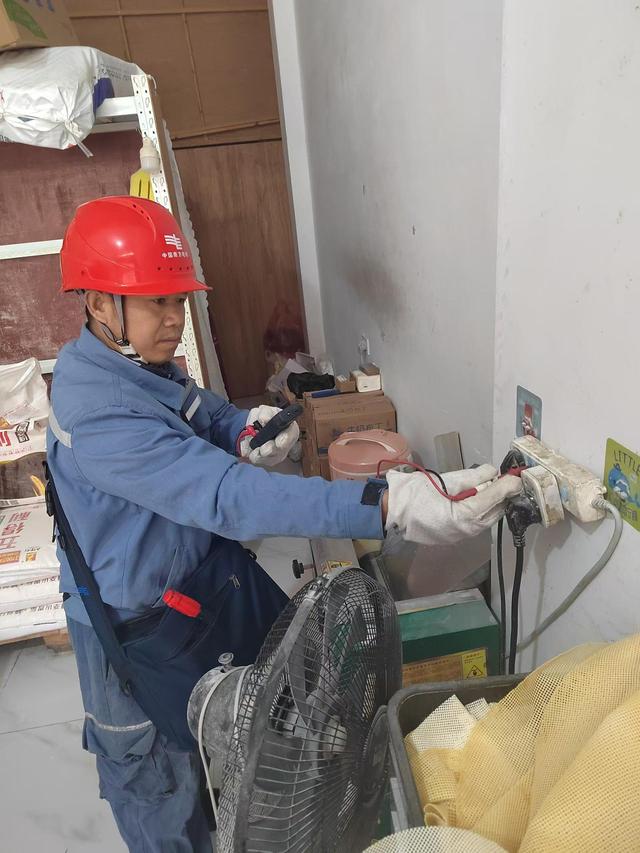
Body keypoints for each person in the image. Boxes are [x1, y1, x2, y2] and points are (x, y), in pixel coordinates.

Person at [47, 196, 521, 852]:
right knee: (158, 780)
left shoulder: (141, 364)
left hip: (197, 582)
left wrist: (244, 427)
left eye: (178, 300)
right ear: (101, 304)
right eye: (157, 303)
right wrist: (388, 504)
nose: (175, 319)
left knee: (242, 728)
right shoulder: (98, 414)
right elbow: (226, 496)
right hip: (133, 623)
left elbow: (201, 410)